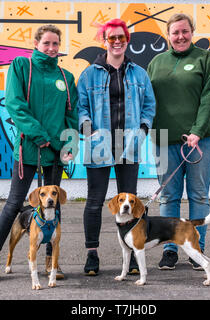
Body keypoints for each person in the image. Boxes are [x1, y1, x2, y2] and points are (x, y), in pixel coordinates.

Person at [0, 25, 78, 284]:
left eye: (56, 44)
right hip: (28, 150)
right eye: (46, 43)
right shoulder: (21, 67)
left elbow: (71, 115)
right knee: (14, 204)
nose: (51, 48)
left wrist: (70, 144)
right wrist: (39, 135)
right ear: (36, 44)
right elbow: (15, 105)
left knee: (53, 207)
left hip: (54, 153)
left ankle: (50, 261)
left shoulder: (66, 77)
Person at [77, 19, 156, 276]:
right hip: (99, 143)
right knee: (95, 201)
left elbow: (149, 106)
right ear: (105, 41)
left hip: (129, 142)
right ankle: (92, 254)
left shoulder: (139, 73)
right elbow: (81, 108)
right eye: (112, 38)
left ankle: (133, 255)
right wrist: (89, 129)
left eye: (121, 37)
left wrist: (143, 130)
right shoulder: (89, 74)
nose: (117, 41)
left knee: (130, 203)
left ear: (127, 40)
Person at [147, 13, 210, 271]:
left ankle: (196, 249)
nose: (180, 36)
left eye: (184, 31)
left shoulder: (206, 59)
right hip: (164, 140)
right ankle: (169, 249)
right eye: (175, 32)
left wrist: (197, 131)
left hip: (201, 141)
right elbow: (147, 99)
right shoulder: (156, 62)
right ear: (168, 35)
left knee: (198, 194)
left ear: (192, 32)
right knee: (168, 196)